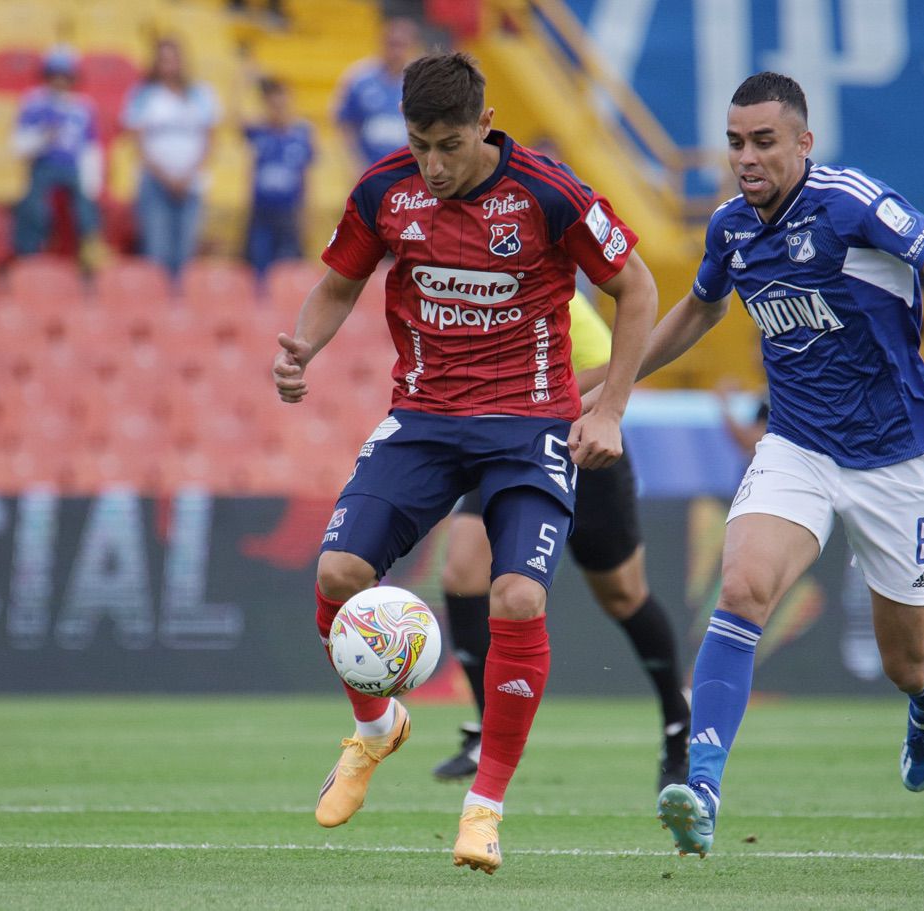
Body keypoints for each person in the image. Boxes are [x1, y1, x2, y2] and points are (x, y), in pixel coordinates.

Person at [271, 52, 657, 875]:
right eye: (420, 146)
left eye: (449, 144)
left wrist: (612, 407)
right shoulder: (384, 190)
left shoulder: (551, 195)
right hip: (424, 416)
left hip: (529, 423)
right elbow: (339, 282)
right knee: (338, 573)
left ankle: (483, 807)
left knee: (516, 593)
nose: (435, 165)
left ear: (485, 125)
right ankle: (377, 727)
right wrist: (303, 343)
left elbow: (640, 289)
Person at [584, 72, 924, 858]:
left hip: (895, 459)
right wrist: (608, 386)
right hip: (798, 445)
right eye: (735, 142)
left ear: (804, 142)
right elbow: (699, 309)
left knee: (904, 661)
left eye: (764, 141)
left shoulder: (851, 204)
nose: (746, 157)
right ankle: (701, 787)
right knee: (742, 585)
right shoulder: (732, 226)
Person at [433, 290, 690, 791]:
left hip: (580, 449)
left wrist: (530, 401)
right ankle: (490, 727)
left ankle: (677, 721)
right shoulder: (458, 287)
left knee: (622, 595)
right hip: (506, 453)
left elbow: (613, 364)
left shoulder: (552, 290)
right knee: (462, 574)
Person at [122, 38, 219, 279]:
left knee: (185, 252)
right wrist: (165, 176)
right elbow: (139, 143)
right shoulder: (143, 95)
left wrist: (189, 174)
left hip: (191, 183)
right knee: (157, 249)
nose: (169, 64)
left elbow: (210, 140)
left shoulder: (201, 94)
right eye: (163, 59)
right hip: (155, 182)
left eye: (173, 58)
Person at [10, 46, 105, 267]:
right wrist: (44, 137)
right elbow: (18, 145)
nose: (60, 81)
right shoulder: (33, 102)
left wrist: (93, 181)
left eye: (65, 75)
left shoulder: (82, 107)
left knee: (86, 202)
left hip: (74, 168)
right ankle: (29, 252)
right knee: (32, 202)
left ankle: (89, 248)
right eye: (55, 75)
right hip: (42, 166)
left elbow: (91, 147)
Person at [243, 77, 314, 279]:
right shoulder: (258, 133)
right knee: (259, 267)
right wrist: (243, 81)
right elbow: (235, 118)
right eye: (273, 104)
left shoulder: (301, 135)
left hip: (289, 214)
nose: (278, 109)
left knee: (286, 270)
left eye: (282, 104)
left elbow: (306, 177)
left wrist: (306, 215)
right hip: (261, 213)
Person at [333, 16, 420, 173]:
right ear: (381, 44)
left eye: (402, 45)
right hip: (369, 168)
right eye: (392, 45)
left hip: (409, 171)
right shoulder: (359, 78)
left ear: (412, 47)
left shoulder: (422, 82)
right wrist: (355, 164)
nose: (396, 52)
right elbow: (345, 123)